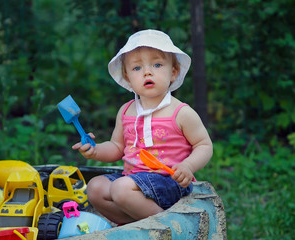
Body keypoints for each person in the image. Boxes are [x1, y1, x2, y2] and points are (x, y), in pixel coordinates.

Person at [72, 29, 213, 225]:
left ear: (173, 72)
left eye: (157, 64)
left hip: (169, 181)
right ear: (128, 77)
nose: (147, 71)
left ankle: (170, 228)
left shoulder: (180, 112)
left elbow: (204, 145)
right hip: (133, 181)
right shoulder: (126, 111)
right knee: (95, 188)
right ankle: (137, 228)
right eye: (137, 68)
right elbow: (117, 147)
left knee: (120, 189)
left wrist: (188, 166)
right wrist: (95, 151)